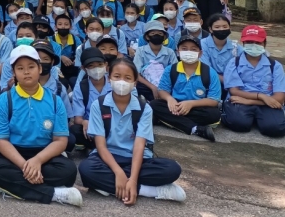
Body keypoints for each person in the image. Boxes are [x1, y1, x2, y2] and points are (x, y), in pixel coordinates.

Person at [0, 45, 81, 206]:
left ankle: (5, 186)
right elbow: (1, 140)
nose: (26, 72)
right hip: (14, 153)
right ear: (14, 72)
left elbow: (60, 141)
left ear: (40, 68)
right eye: (20, 68)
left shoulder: (55, 100)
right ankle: (54, 194)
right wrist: (25, 166)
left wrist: (37, 161)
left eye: (31, 67)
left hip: (44, 153)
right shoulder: (4, 99)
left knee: (68, 171)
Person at [78, 58, 185, 204]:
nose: (121, 81)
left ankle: (112, 186)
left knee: (172, 169)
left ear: (135, 83)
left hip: (136, 158)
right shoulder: (99, 105)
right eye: (117, 76)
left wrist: (133, 179)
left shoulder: (144, 108)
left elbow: (139, 146)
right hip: (108, 157)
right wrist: (118, 172)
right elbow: (101, 146)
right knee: (86, 169)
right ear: (109, 79)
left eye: (127, 78)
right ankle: (149, 191)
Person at [152, 34, 221, 141]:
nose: (189, 52)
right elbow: (162, 90)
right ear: (178, 51)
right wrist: (170, 99)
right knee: (154, 105)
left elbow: (214, 100)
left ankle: (166, 119)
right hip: (175, 105)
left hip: (197, 106)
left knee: (214, 114)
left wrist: (191, 104)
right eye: (184, 49)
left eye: (193, 49)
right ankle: (196, 129)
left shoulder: (210, 72)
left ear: (200, 53)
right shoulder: (171, 69)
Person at [221, 25, 285, 138]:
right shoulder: (234, 63)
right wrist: (261, 96)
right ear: (243, 43)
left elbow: (279, 98)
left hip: (264, 103)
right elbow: (234, 91)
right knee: (238, 124)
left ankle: (259, 118)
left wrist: (249, 101)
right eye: (249, 42)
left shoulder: (275, 66)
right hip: (241, 101)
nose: (254, 45)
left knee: (275, 129)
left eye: (258, 42)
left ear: (264, 43)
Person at [70, 47, 112, 151]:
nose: (96, 69)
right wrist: (84, 122)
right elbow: (78, 118)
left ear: (106, 65)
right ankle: (101, 146)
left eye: (100, 65)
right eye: (91, 66)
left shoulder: (113, 83)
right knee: (75, 130)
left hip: (113, 123)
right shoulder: (81, 87)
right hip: (92, 125)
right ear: (84, 69)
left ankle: (99, 147)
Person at [132, 21, 178, 101]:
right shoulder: (140, 51)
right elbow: (136, 74)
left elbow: (175, 72)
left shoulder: (170, 52)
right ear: (147, 37)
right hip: (146, 85)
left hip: (166, 85)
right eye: (153, 33)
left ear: (164, 37)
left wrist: (162, 88)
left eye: (160, 33)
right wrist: (152, 87)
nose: (156, 35)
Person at [200, 13, 235, 94]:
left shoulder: (236, 47)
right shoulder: (202, 44)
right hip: (209, 84)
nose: (221, 29)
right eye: (217, 27)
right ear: (210, 29)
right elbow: (206, 69)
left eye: (225, 26)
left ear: (229, 28)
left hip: (232, 85)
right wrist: (226, 81)